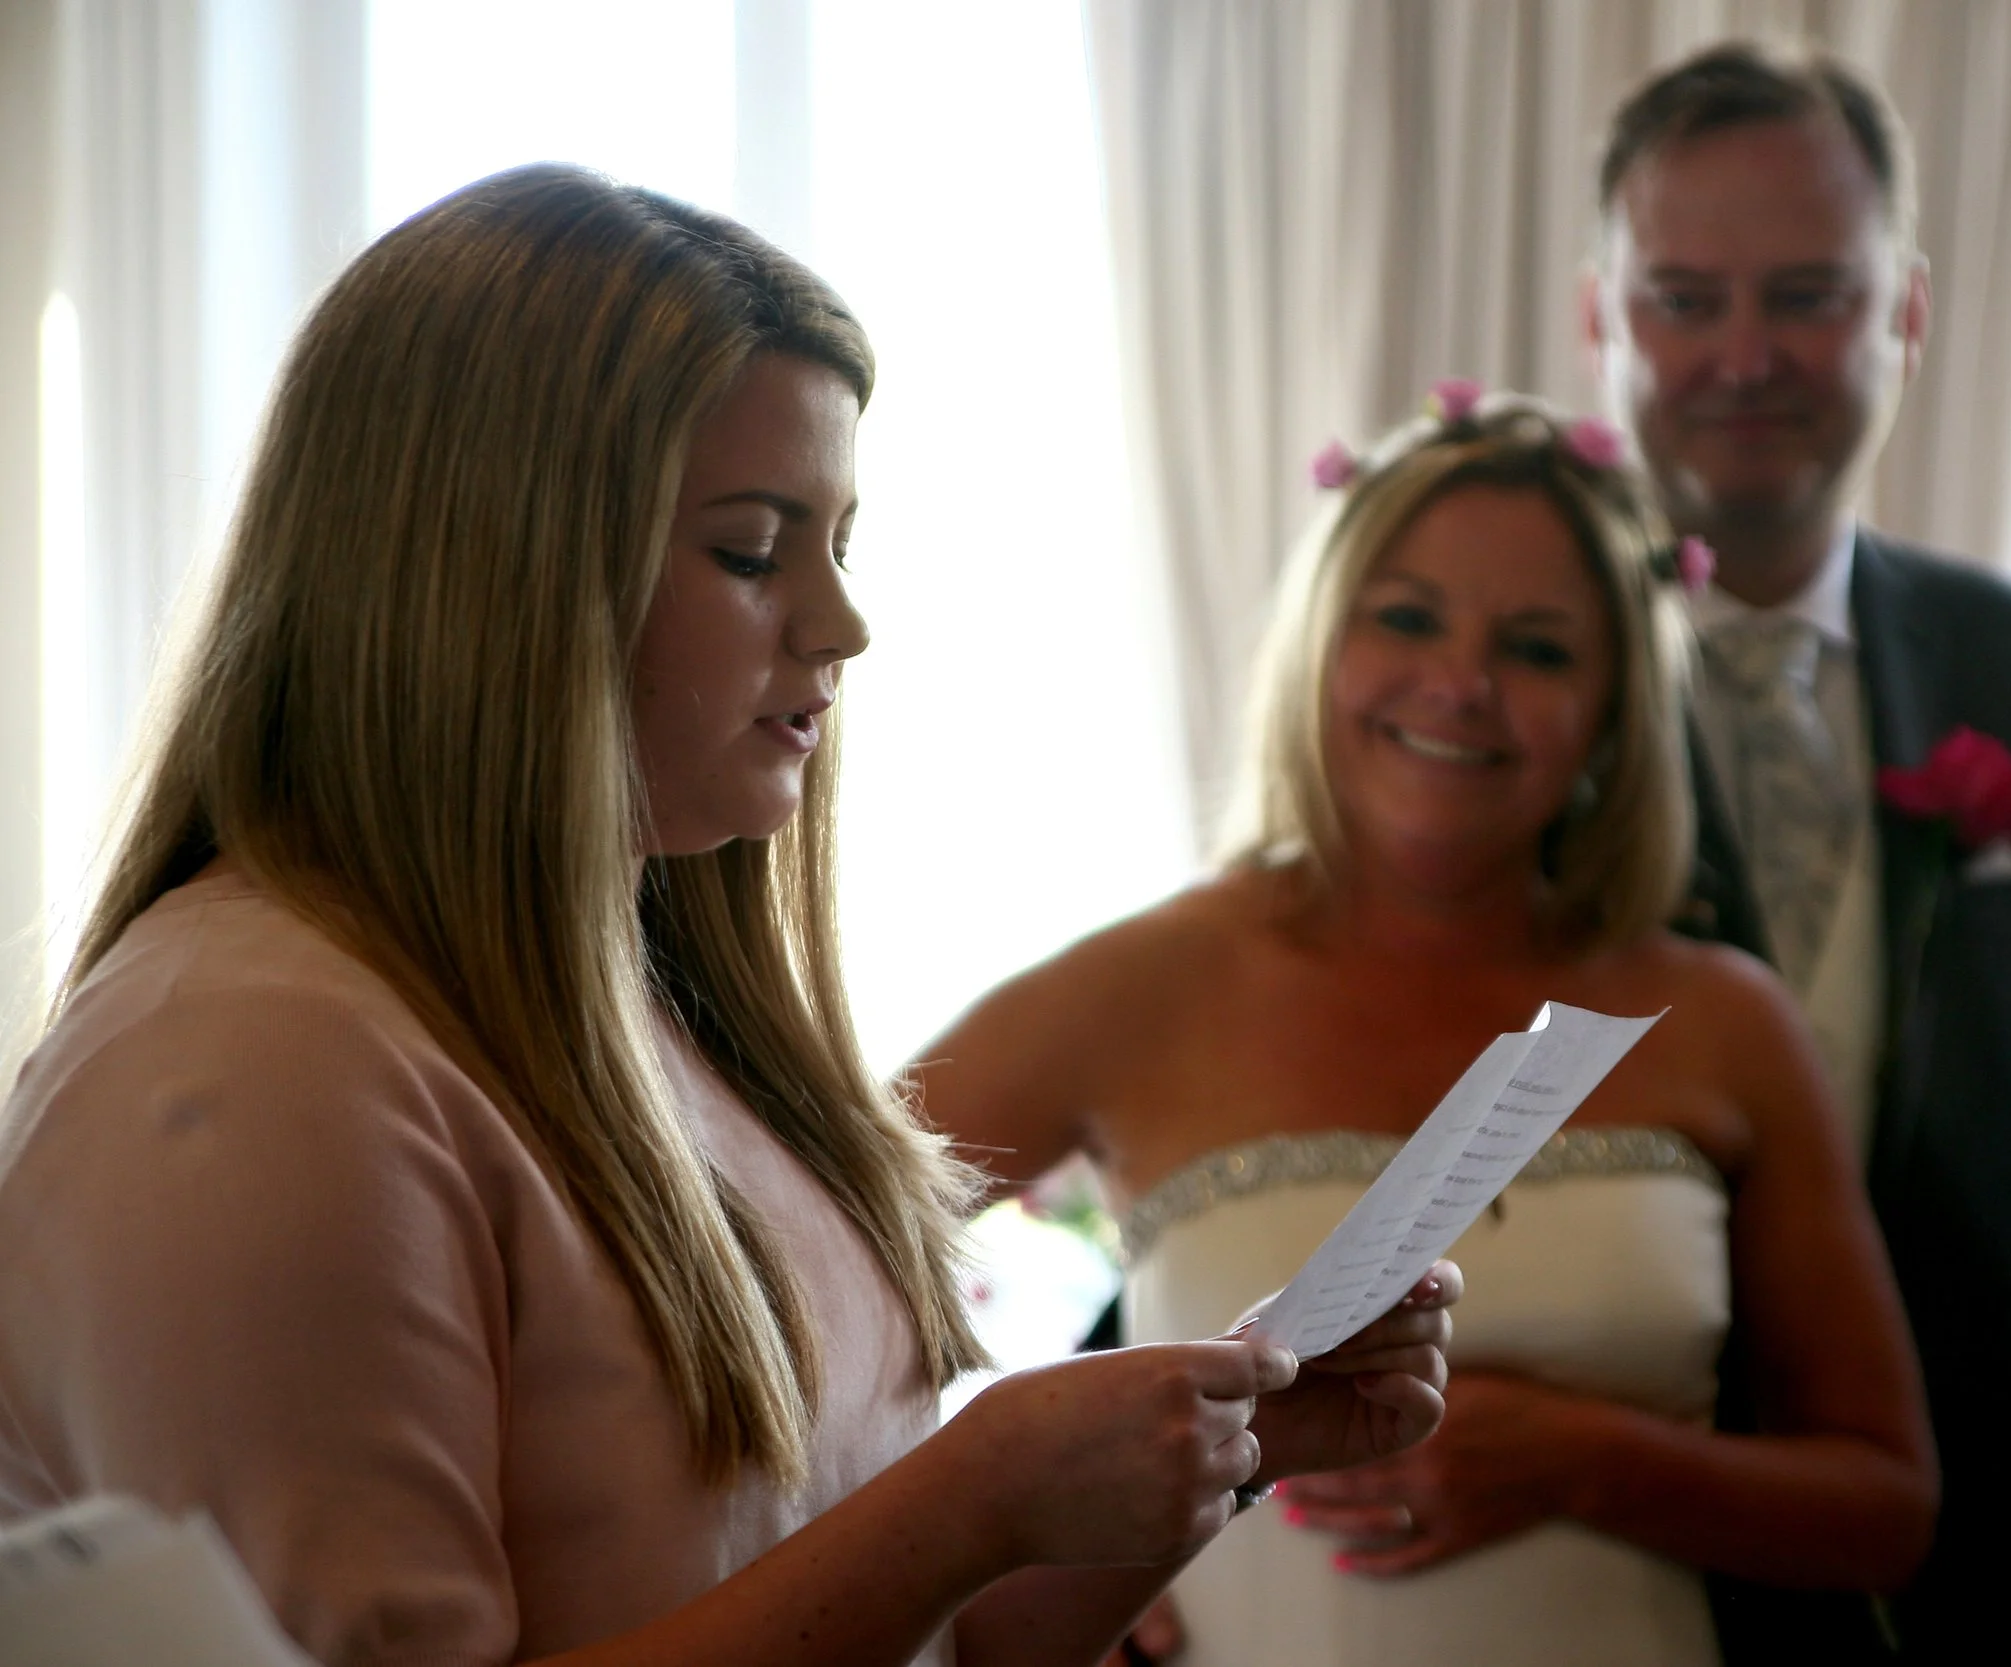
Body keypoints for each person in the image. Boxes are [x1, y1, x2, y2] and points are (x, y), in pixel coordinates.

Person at [0, 164, 1460, 1667]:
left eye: (840, 543)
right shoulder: (252, 1063)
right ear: (494, 576)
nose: (843, 623)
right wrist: (968, 1496)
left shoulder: (654, 1012)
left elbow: (915, 1637)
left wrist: (1217, 1448)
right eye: (756, 549)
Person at [910, 391, 1937, 1667]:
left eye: (1540, 648)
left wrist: (1582, 1459)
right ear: (1318, 643)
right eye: (1405, 618)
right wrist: (1016, 1544)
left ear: (1617, 709)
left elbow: (1886, 1511)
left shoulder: (1722, 1021)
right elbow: (783, 1295)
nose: (1461, 685)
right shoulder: (1136, 987)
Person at [1582, 42, 2011, 1665]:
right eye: (1681, 297)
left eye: (1807, 293)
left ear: (1908, 314)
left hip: (1994, 1587)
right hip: (1606, 1568)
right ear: (1602, 318)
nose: (1744, 354)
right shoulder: (1492, 686)